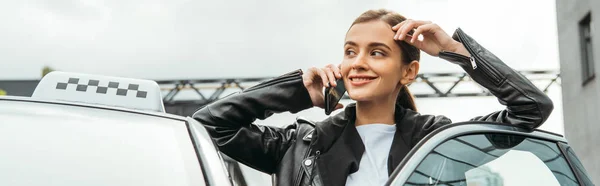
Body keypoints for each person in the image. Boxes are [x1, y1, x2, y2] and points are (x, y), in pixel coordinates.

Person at [193, 9, 553, 186]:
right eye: (351, 52)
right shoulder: (301, 144)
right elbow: (209, 125)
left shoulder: (438, 143)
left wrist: (454, 50)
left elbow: (530, 109)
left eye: (377, 52)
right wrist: (295, 91)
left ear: (408, 72)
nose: (358, 63)